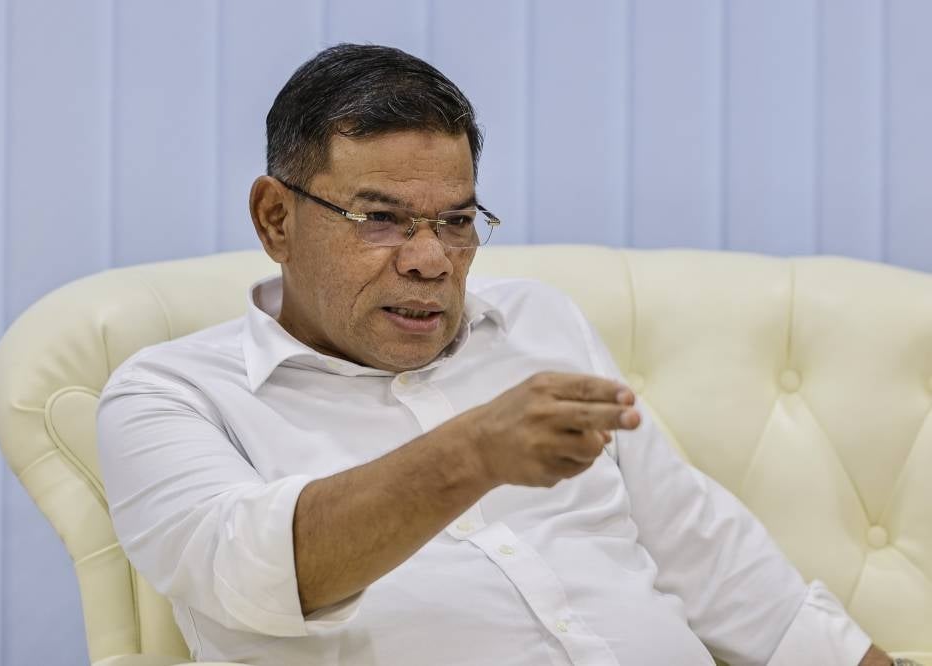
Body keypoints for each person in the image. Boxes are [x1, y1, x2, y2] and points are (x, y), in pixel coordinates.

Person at [97, 44, 903, 666]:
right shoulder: (170, 396)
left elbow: (699, 545)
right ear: (276, 218)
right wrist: (473, 453)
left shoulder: (537, 323)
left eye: (455, 220)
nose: (430, 259)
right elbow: (251, 575)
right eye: (381, 219)